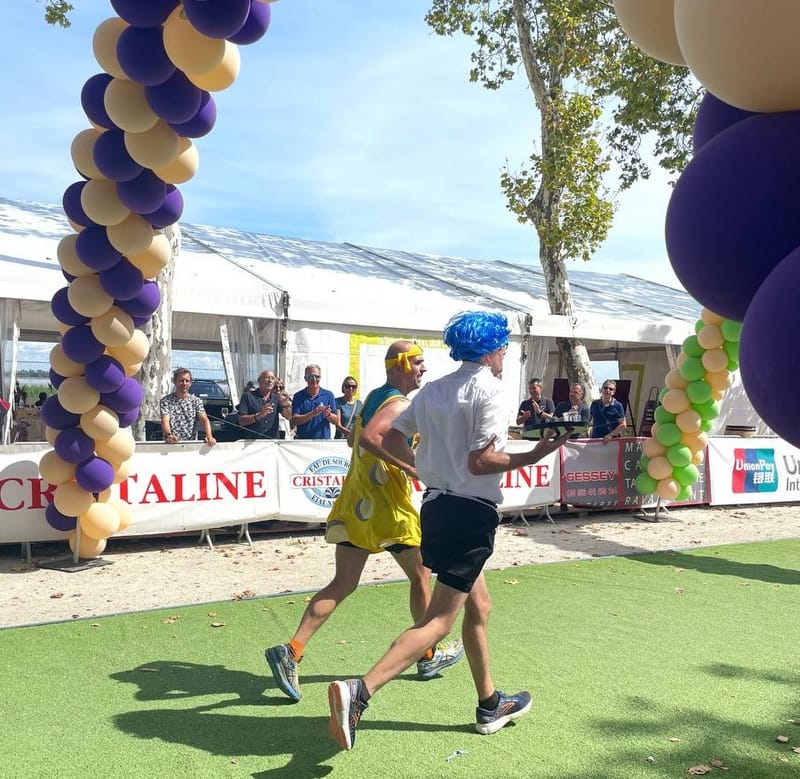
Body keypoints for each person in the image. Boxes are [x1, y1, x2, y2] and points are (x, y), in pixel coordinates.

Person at [326, 311, 570, 751]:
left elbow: (393, 438)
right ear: (494, 349)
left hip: (437, 507)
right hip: (469, 513)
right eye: (503, 348)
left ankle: (489, 702)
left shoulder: (435, 389)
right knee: (439, 621)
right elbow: (482, 461)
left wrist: (429, 468)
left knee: (480, 606)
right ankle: (359, 691)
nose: (504, 355)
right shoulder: (490, 389)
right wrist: (534, 455)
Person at [264, 340, 463, 702]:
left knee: (343, 582)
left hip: (357, 501)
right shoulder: (399, 403)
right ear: (400, 364)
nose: (423, 368)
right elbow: (371, 439)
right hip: (388, 505)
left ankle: (291, 650)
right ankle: (427, 654)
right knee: (421, 575)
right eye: (418, 362)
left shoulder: (374, 396)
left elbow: (353, 439)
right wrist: (412, 467)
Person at [159, 367, 216, 446]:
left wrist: (209, 436)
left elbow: (204, 419)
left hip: (191, 445)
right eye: (181, 381)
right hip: (171, 445)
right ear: (174, 382)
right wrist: (169, 435)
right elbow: (165, 420)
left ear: (190, 383)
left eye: (187, 381)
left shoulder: (196, 401)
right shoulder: (165, 401)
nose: (184, 383)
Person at [237, 370, 290, 439]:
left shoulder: (276, 398)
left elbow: (288, 416)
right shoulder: (248, 396)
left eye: (272, 378)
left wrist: (286, 406)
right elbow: (241, 421)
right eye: (267, 378)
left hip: (272, 442)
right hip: (253, 442)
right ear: (259, 381)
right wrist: (259, 415)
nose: (270, 380)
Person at [291, 364, 338, 439]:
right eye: (311, 377)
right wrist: (312, 414)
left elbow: (336, 421)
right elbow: (294, 420)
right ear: (305, 378)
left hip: (323, 442)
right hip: (303, 443)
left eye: (317, 377)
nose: (314, 379)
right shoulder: (298, 396)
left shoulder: (328, 395)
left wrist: (328, 415)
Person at [333, 376, 363, 440]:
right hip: (341, 440)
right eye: (347, 386)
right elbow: (338, 425)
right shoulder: (337, 402)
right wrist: (351, 434)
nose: (351, 388)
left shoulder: (359, 403)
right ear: (343, 388)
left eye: (353, 386)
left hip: (355, 441)